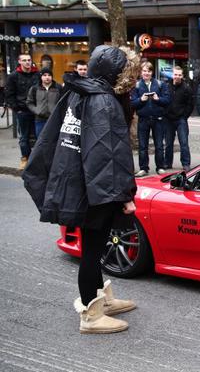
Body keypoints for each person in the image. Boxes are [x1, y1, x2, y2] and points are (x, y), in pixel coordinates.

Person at [22, 45, 140, 334]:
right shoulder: (105, 102)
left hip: (79, 181)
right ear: (118, 73)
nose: (133, 76)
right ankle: (92, 314)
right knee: (92, 250)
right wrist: (124, 196)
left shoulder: (80, 91)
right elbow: (108, 156)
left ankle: (102, 299)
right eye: (130, 71)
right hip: (96, 189)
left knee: (93, 246)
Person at [130, 61, 171, 176]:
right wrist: (140, 100)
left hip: (158, 119)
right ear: (141, 72)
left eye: (148, 71)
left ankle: (160, 167)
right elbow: (132, 103)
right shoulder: (137, 85)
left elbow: (167, 101)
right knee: (143, 146)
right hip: (143, 119)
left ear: (152, 72)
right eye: (144, 71)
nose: (146, 73)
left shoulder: (160, 84)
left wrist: (158, 99)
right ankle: (143, 168)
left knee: (159, 145)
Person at [5, 53, 41, 169]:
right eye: (24, 60)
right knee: (24, 137)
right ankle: (25, 158)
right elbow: (9, 94)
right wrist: (17, 109)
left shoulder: (38, 74)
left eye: (29, 60)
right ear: (20, 62)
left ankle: (36, 160)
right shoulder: (13, 76)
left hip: (37, 110)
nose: (27, 62)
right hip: (23, 110)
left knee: (38, 135)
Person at [163, 66, 193, 171]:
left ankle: (186, 163)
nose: (177, 77)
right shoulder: (166, 86)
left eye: (179, 75)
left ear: (182, 76)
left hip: (181, 119)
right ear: (172, 75)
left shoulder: (187, 88)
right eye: (175, 74)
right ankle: (167, 163)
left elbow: (190, 104)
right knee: (168, 143)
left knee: (184, 142)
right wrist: (165, 113)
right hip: (168, 119)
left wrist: (184, 116)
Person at [26, 68, 63, 138]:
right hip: (40, 119)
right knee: (40, 140)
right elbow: (29, 102)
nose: (47, 77)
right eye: (44, 75)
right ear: (41, 77)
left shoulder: (58, 88)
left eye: (49, 75)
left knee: (54, 139)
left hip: (54, 119)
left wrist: (57, 112)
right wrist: (37, 111)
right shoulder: (35, 88)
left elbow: (63, 102)